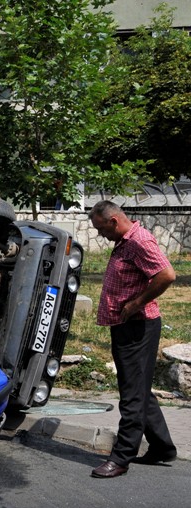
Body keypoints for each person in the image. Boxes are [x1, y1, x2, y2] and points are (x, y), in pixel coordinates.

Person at [88, 200, 177, 479]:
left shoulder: (139, 240)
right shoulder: (125, 240)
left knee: (132, 395)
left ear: (113, 221)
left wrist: (136, 303)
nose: (101, 235)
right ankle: (162, 447)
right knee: (138, 387)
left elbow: (166, 275)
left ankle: (122, 457)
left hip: (139, 326)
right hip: (127, 325)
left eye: (101, 229)